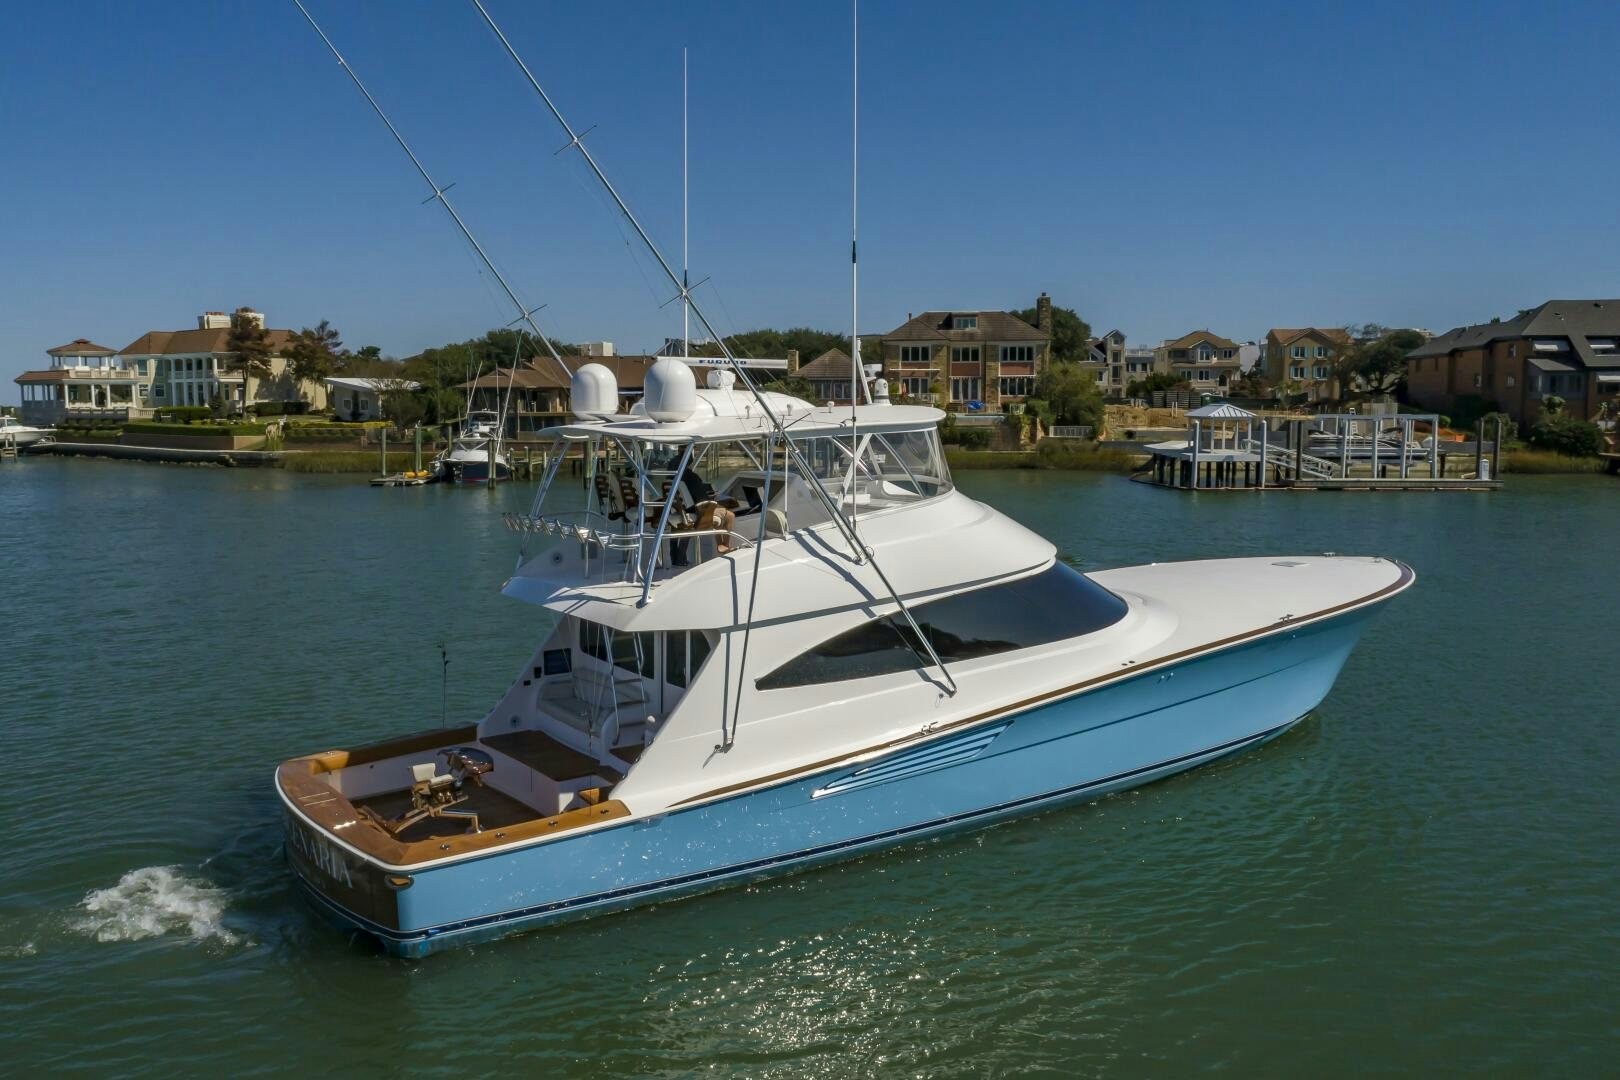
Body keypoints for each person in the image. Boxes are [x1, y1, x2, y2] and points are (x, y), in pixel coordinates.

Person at [670, 464, 735, 565]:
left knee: (718, 510)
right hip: (698, 511)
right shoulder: (692, 477)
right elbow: (701, 497)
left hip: (681, 510)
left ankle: (676, 558)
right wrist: (712, 498)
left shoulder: (672, 477)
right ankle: (724, 546)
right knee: (730, 515)